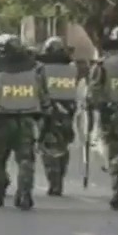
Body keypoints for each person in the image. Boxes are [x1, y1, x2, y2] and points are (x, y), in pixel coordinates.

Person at [0, 34, 52, 210]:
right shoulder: (36, 68)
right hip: (28, 119)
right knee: (26, 158)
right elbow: (43, 95)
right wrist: (46, 114)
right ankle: (24, 193)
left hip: (3, 119)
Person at [87, 25, 118, 210]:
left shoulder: (103, 65)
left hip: (112, 115)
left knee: (116, 153)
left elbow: (94, 91)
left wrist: (93, 107)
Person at [36, 36, 78, 196]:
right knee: (63, 146)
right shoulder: (72, 68)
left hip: (49, 112)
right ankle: (59, 177)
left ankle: (54, 182)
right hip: (68, 112)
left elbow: (38, 90)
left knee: (49, 148)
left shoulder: (41, 68)